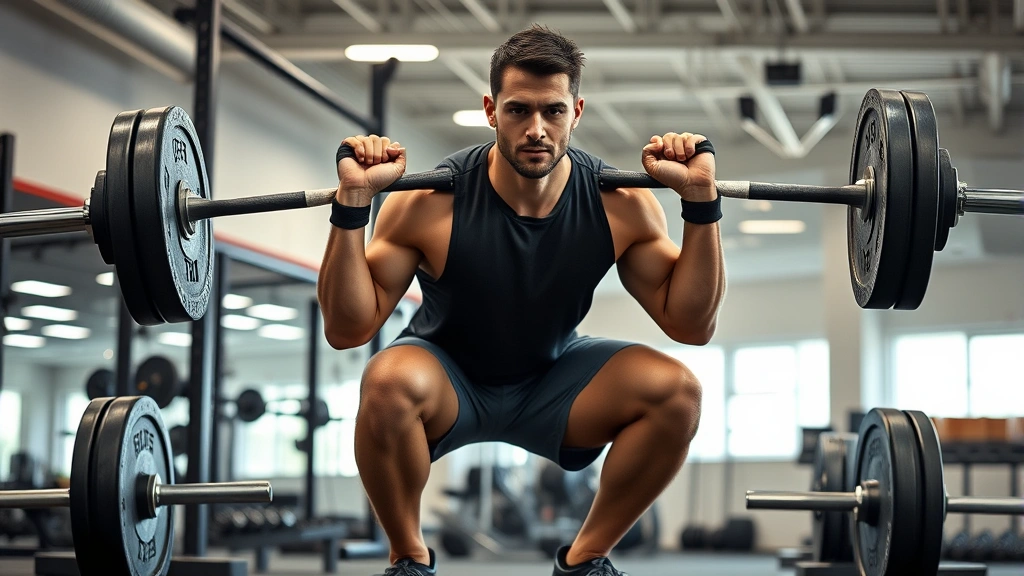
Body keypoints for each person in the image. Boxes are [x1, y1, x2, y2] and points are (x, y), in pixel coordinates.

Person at [318, 24, 725, 576]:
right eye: (518, 110)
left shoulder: (620, 205)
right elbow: (347, 329)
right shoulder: (429, 202)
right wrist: (352, 204)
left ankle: (585, 560)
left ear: (576, 111)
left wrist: (700, 203)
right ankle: (408, 557)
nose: (536, 129)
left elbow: (691, 324)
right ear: (491, 110)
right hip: (446, 376)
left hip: (555, 379)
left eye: (553, 111)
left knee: (678, 393)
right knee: (387, 381)